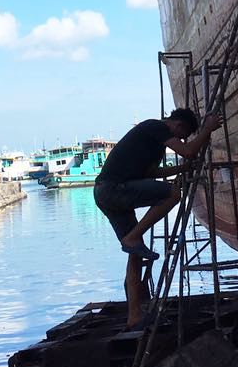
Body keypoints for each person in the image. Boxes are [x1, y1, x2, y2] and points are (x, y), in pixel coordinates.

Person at [93, 108, 221, 329]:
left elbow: (150, 173)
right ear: (178, 124)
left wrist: (181, 169)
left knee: (135, 255)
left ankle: (134, 315)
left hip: (107, 192)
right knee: (172, 194)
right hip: (113, 189)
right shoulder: (156, 126)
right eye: (181, 135)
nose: (180, 140)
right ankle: (133, 236)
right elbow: (189, 151)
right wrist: (207, 129)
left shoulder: (154, 143)